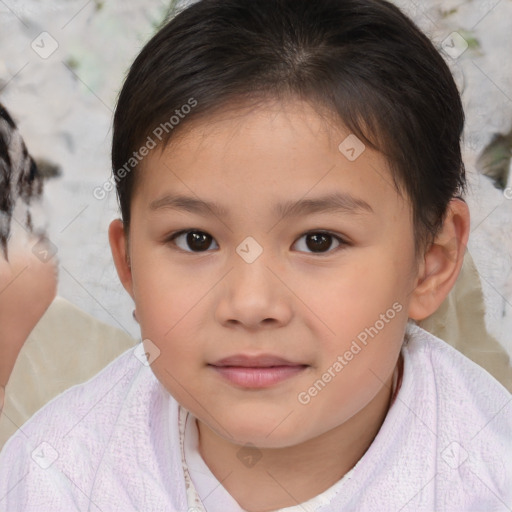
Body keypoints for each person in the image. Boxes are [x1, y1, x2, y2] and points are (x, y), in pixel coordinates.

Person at [0, 1, 511, 510]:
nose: (249, 303)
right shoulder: (57, 476)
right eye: (195, 240)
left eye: (319, 241)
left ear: (433, 261)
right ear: (129, 265)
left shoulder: (490, 475)